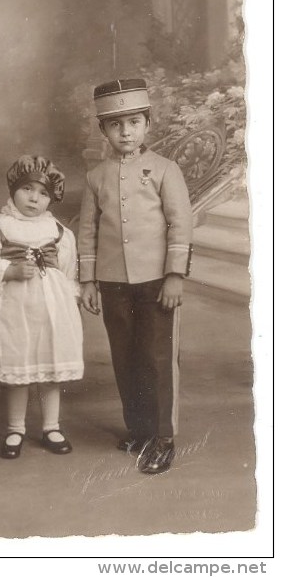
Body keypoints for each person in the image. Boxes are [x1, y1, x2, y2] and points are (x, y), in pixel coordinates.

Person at [78, 78, 193, 474]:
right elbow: (88, 231)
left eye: (133, 122)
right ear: (103, 130)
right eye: (115, 124)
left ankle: (163, 436)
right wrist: (88, 280)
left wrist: (175, 275)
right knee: (126, 358)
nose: (125, 132)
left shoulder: (165, 169)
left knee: (158, 358)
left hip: (157, 282)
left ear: (148, 124)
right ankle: (140, 428)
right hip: (113, 282)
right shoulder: (95, 177)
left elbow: (181, 224)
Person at [0, 155, 83, 459]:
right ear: (14, 190)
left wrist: (67, 303)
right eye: (27, 190)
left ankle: (51, 426)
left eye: (43, 193)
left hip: (51, 310)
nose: (34, 198)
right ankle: (16, 428)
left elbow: (69, 271)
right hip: (15, 309)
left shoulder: (58, 232)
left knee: (50, 365)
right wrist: (9, 271)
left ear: (52, 198)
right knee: (19, 363)